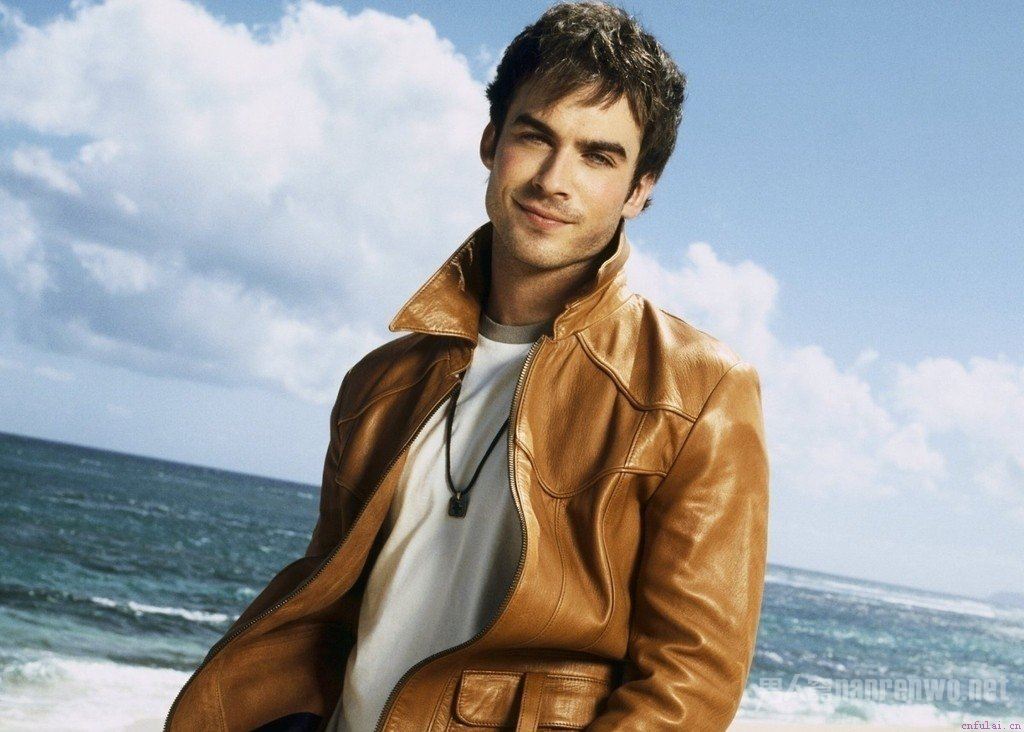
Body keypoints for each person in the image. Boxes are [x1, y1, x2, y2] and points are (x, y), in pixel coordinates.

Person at [165, 2, 769, 730]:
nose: (554, 179)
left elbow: (688, 686)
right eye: (534, 137)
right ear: (491, 142)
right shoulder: (378, 383)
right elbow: (329, 609)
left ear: (640, 189)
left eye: (597, 156)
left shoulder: (700, 392)